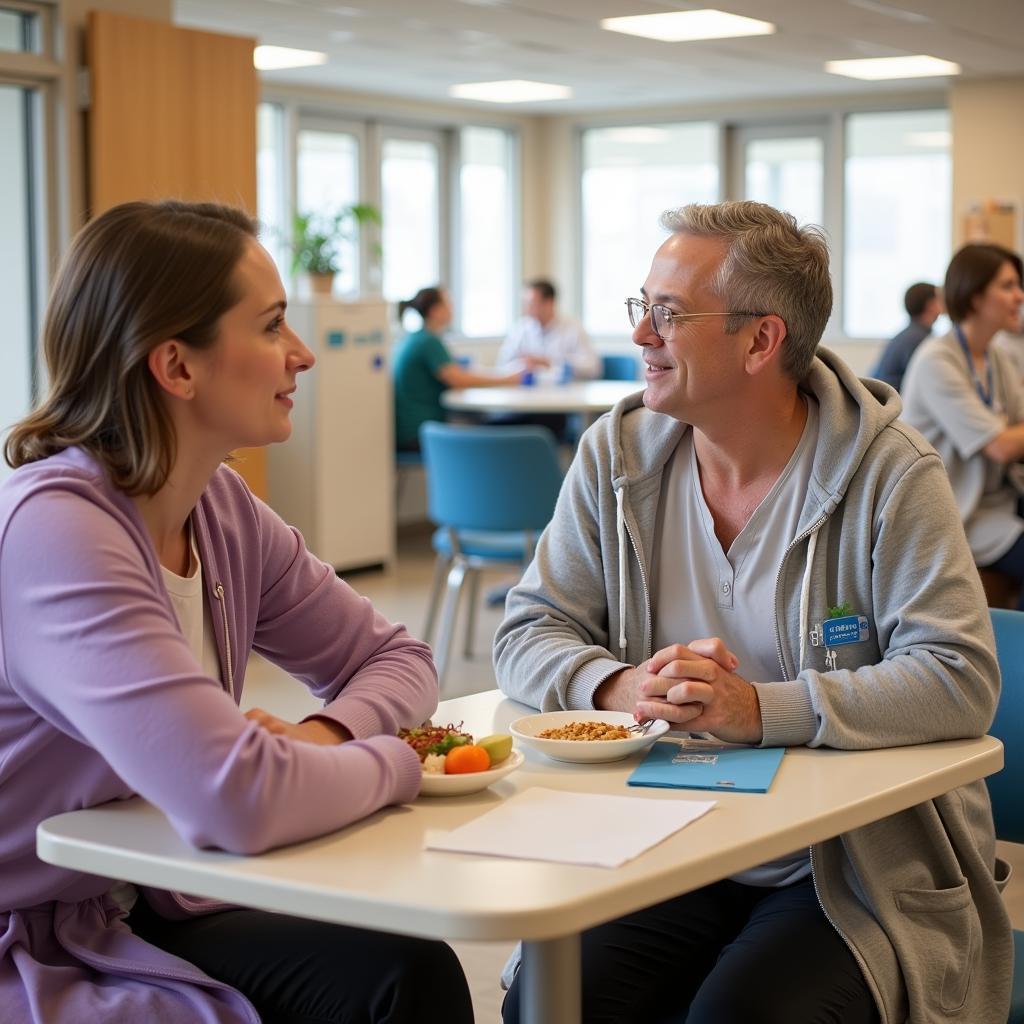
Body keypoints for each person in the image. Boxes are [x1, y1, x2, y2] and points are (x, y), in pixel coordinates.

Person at [495, 201, 1011, 1023]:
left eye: (668, 314)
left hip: (842, 865)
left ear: (760, 341)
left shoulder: (889, 473)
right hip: (660, 836)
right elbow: (528, 629)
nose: (640, 335)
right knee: (551, 1002)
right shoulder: (616, 457)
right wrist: (619, 686)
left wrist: (755, 709)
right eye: (643, 307)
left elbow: (959, 678)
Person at [0, 201, 474, 1024]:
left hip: (147, 897)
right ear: (177, 367)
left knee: (402, 970)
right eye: (272, 327)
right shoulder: (56, 530)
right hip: (34, 934)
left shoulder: (219, 505)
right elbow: (239, 799)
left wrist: (325, 735)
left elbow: (401, 659)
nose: (304, 355)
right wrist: (402, 763)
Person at [902, 243, 1024, 603]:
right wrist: (1005, 434)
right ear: (973, 297)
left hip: (997, 497)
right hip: (958, 513)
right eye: (1008, 286)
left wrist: (1007, 433)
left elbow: (1014, 427)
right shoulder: (936, 360)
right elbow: (1000, 445)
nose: (1019, 296)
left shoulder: (995, 355)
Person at [392, 285, 523, 451]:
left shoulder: (416, 338)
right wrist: (510, 379)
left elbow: (454, 372)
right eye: (448, 303)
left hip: (415, 428)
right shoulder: (428, 341)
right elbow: (458, 380)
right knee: (491, 428)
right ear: (435, 310)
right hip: (419, 433)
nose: (452, 307)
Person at [497, 278, 601, 382]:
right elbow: (502, 365)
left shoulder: (574, 328)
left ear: (549, 303)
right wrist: (523, 364)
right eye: (525, 304)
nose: (527, 309)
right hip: (527, 393)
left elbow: (593, 367)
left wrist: (551, 362)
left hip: (566, 394)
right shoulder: (520, 328)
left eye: (531, 304)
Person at [869, 281, 943, 391]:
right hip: (892, 402)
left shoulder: (908, 334)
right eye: (940, 299)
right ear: (930, 305)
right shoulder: (919, 339)